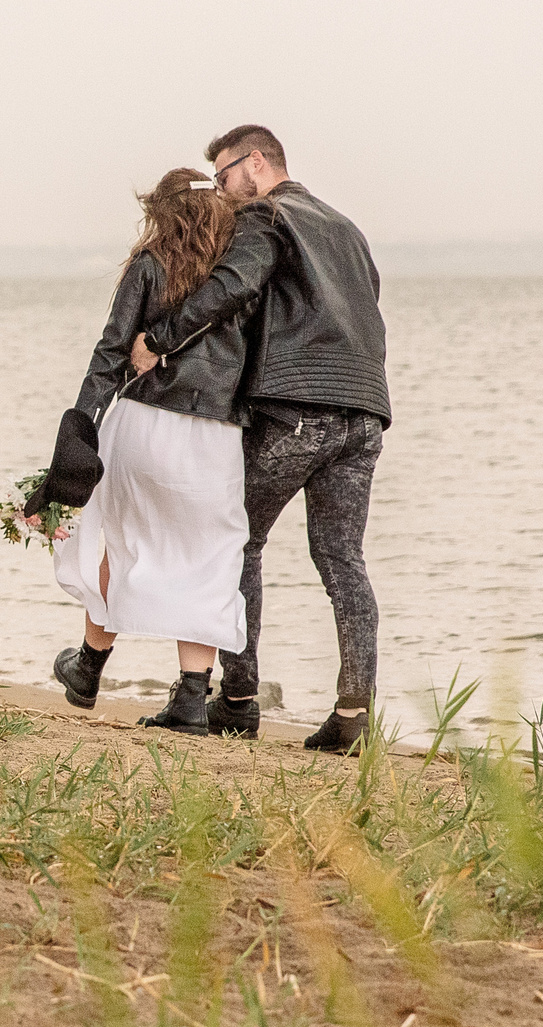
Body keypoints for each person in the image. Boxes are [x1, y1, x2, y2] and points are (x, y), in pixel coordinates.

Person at [130, 124, 390, 754]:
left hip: (296, 409)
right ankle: (353, 716)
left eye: (222, 176)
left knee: (234, 542)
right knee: (343, 560)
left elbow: (232, 287)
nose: (220, 191)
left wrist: (159, 340)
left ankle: (239, 700)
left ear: (254, 163)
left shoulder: (266, 216)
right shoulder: (346, 228)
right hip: (365, 411)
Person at [25, 168, 262, 734]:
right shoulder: (240, 276)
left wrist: (80, 426)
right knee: (210, 560)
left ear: (162, 213)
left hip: (144, 424)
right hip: (215, 435)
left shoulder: (151, 265)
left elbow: (111, 351)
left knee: (124, 542)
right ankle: (192, 697)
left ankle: (88, 668)